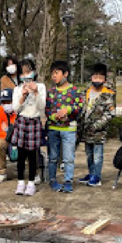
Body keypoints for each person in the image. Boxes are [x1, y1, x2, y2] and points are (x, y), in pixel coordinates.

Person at [45, 60, 83, 193]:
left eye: (56, 73)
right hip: (53, 129)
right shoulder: (50, 92)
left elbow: (80, 107)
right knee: (53, 157)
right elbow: (47, 110)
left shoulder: (74, 91)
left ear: (65, 74)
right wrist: (55, 116)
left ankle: (68, 181)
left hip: (69, 130)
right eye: (52, 74)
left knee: (68, 158)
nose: (53, 76)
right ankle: (52, 180)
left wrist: (68, 110)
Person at [12, 59, 46, 196]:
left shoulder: (41, 87)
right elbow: (15, 109)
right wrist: (23, 95)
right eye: (23, 72)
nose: (26, 75)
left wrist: (36, 92)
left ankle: (31, 183)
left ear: (34, 72)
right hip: (21, 120)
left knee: (33, 155)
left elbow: (41, 107)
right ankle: (21, 182)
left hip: (34, 121)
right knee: (21, 155)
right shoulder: (17, 89)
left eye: (29, 71)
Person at [79, 63, 115, 188]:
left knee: (98, 155)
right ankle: (91, 173)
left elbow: (110, 114)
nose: (97, 80)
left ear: (105, 79)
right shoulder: (86, 92)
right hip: (86, 129)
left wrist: (97, 126)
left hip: (99, 131)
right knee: (89, 154)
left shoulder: (108, 94)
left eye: (100, 78)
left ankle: (97, 176)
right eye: (95, 77)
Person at [0, 89, 17, 183]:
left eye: (8, 101)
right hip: (5, 140)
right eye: (3, 102)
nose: (6, 104)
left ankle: (34, 173)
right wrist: (10, 133)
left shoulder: (19, 110)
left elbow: (22, 130)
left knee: (31, 142)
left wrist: (7, 130)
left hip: (20, 139)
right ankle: (1, 172)